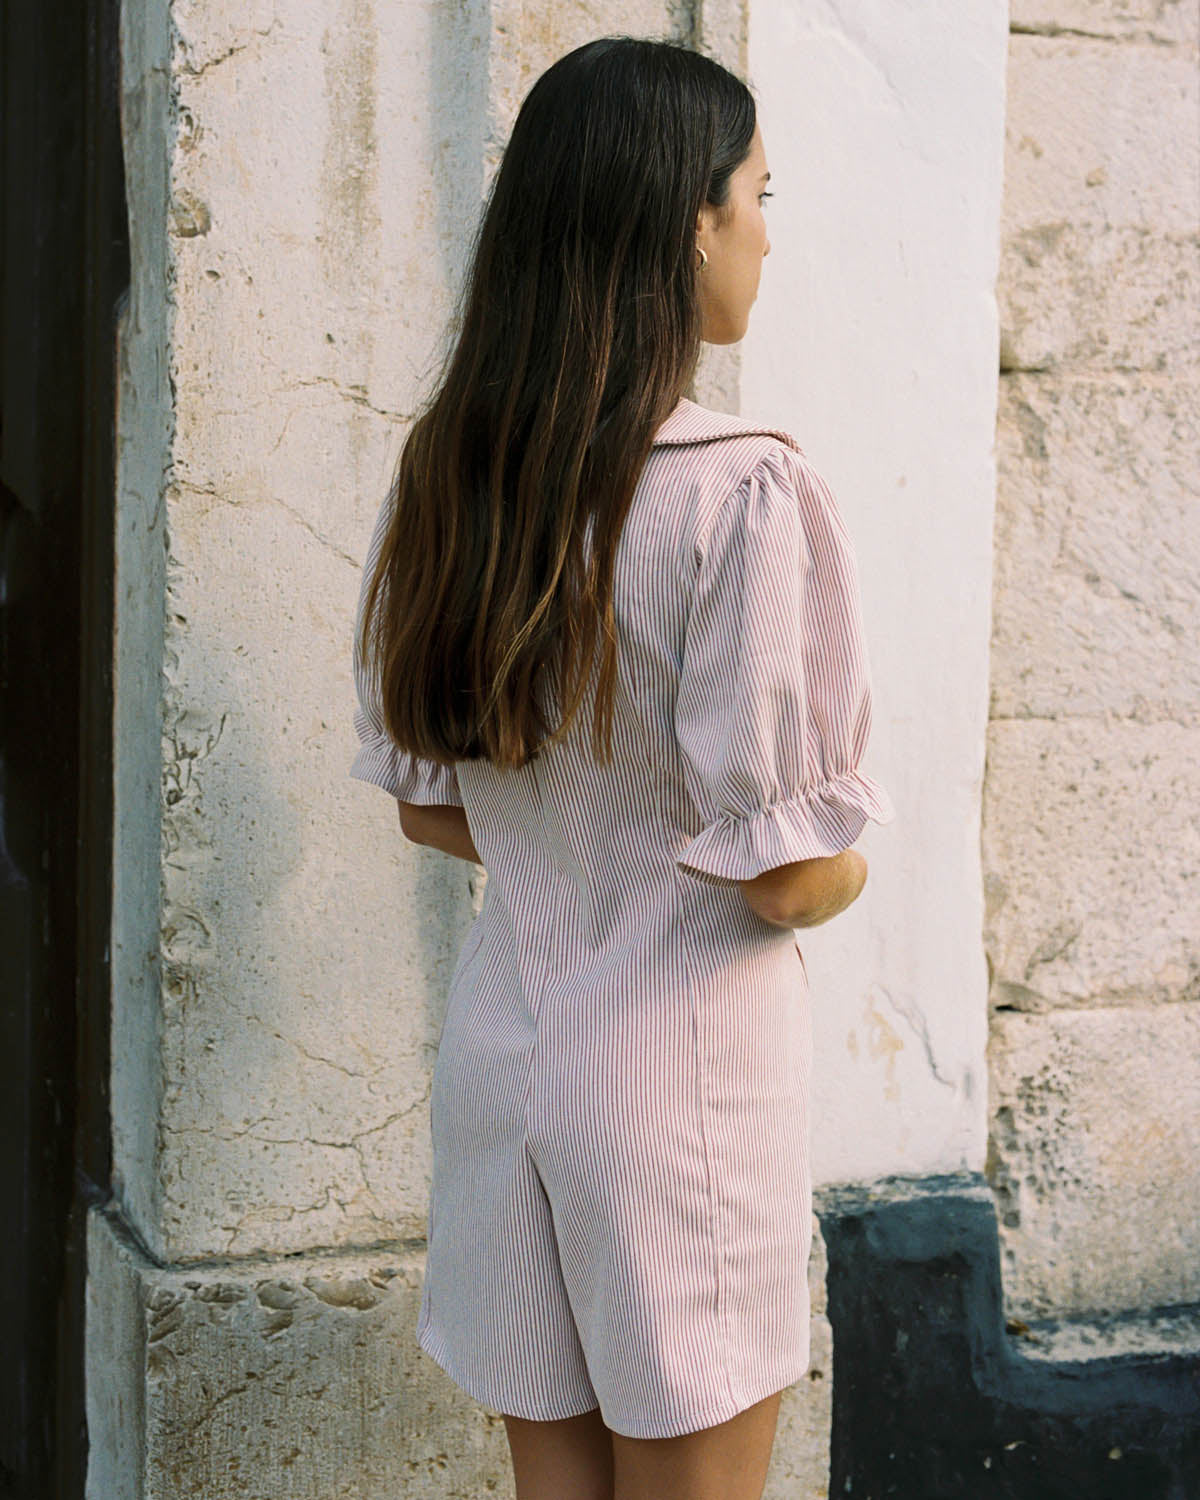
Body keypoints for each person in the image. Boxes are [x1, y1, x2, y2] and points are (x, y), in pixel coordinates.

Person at [349, 34, 895, 1500]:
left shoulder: (453, 471)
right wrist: (843, 862)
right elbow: (785, 874)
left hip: (507, 1059)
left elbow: (427, 800)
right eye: (756, 195)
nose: (767, 234)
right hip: (679, 1087)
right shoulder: (742, 487)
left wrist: (586, 848)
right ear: (686, 222)